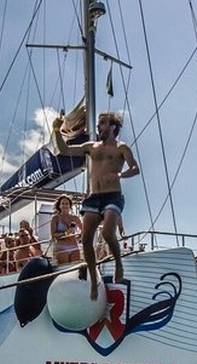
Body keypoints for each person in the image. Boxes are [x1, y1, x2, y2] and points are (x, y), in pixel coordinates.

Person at [53, 111, 140, 300]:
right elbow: (64, 150)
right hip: (94, 197)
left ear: (113, 127)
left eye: (102, 123)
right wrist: (56, 131)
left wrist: (119, 175)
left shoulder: (121, 148)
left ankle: (118, 263)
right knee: (85, 240)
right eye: (99, 123)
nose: (98, 126)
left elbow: (135, 168)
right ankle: (93, 280)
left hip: (113, 196)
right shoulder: (91, 147)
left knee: (108, 233)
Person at [50, 195, 83, 265]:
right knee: (64, 268)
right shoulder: (55, 218)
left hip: (74, 246)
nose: (65, 205)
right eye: (63, 203)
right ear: (59, 206)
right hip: (61, 247)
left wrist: (79, 237)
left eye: (67, 203)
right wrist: (65, 233)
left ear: (70, 205)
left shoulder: (75, 218)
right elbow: (53, 235)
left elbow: (84, 230)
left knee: (76, 268)